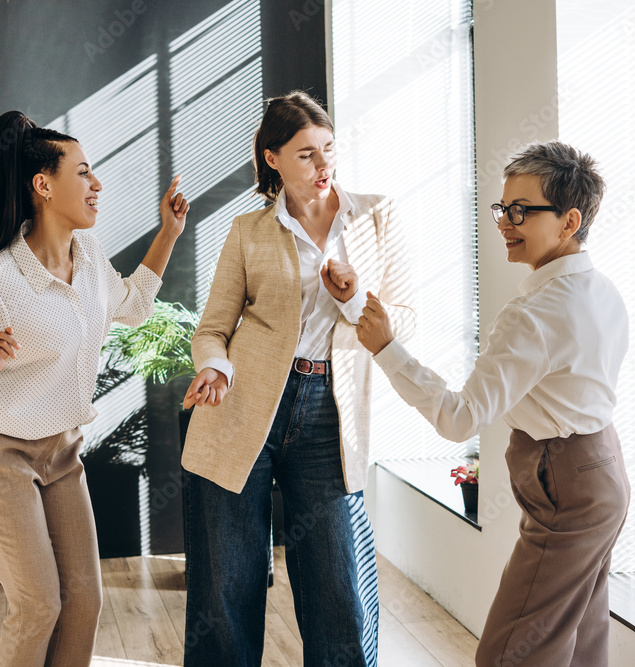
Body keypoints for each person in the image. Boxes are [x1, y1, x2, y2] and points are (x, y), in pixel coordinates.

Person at [356, 141, 630, 666]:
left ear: (570, 221)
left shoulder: (535, 313)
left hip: (567, 487)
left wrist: (388, 349)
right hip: (603, 474)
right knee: (578, 645)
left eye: (521, 211)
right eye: (503, 207)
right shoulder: (602, 289)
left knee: (509, 654)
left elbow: (459, 419)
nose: (505, 222)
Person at [0, 110, 189, 667]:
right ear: (43, 186)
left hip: (61, 450)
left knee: (84, 601)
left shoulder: (89, 258)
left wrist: (168, 234)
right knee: (38, 606)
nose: (97, 184)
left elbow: (133, 305)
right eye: (84, 172)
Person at [179, 90, 413, 667]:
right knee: (226, 583)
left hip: (330, 413)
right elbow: (213, 328)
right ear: (273, 158)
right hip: (243, 404)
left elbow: (405, 321)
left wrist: (355, 298)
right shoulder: (248, 231)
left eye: (328, 149)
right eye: (306, 154)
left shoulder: (377, 216)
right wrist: (214, 366)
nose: (323, 164)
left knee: (339, 583)